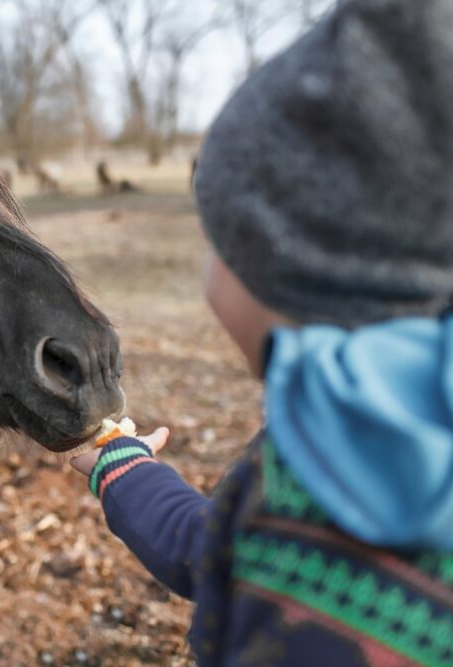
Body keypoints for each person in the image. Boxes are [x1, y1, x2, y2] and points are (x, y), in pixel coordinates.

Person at [69, 1, 453, 664]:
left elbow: (206, 550)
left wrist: (118, 464)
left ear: (290, 270)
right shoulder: (362, 422)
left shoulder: (312, 465)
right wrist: (123, 465)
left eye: (217, 241)